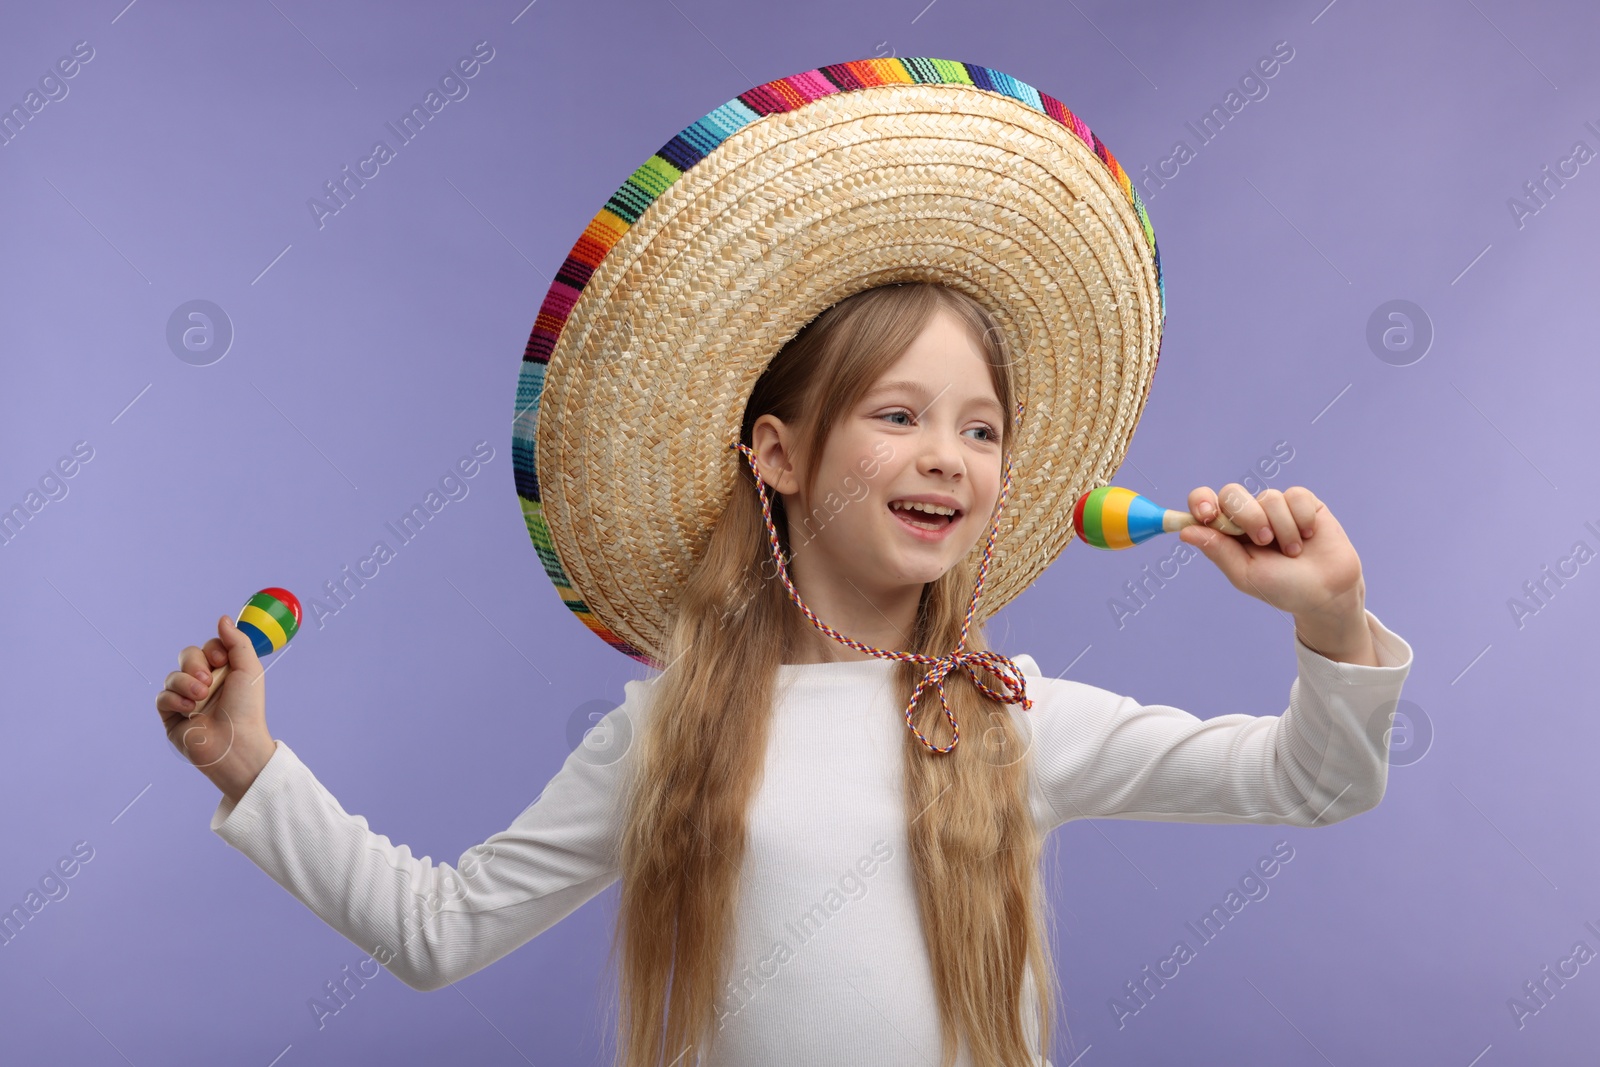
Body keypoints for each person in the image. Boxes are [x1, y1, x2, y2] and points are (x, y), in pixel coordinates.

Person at [156, 60, 1413, 1067]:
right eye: (897, 413)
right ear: (778, 450)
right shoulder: (663, 738)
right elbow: (436, 931)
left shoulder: (1012, 716)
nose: (950, 457)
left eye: (982, 427)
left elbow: (1315, 781)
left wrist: (1332, 620)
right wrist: (247, 764)